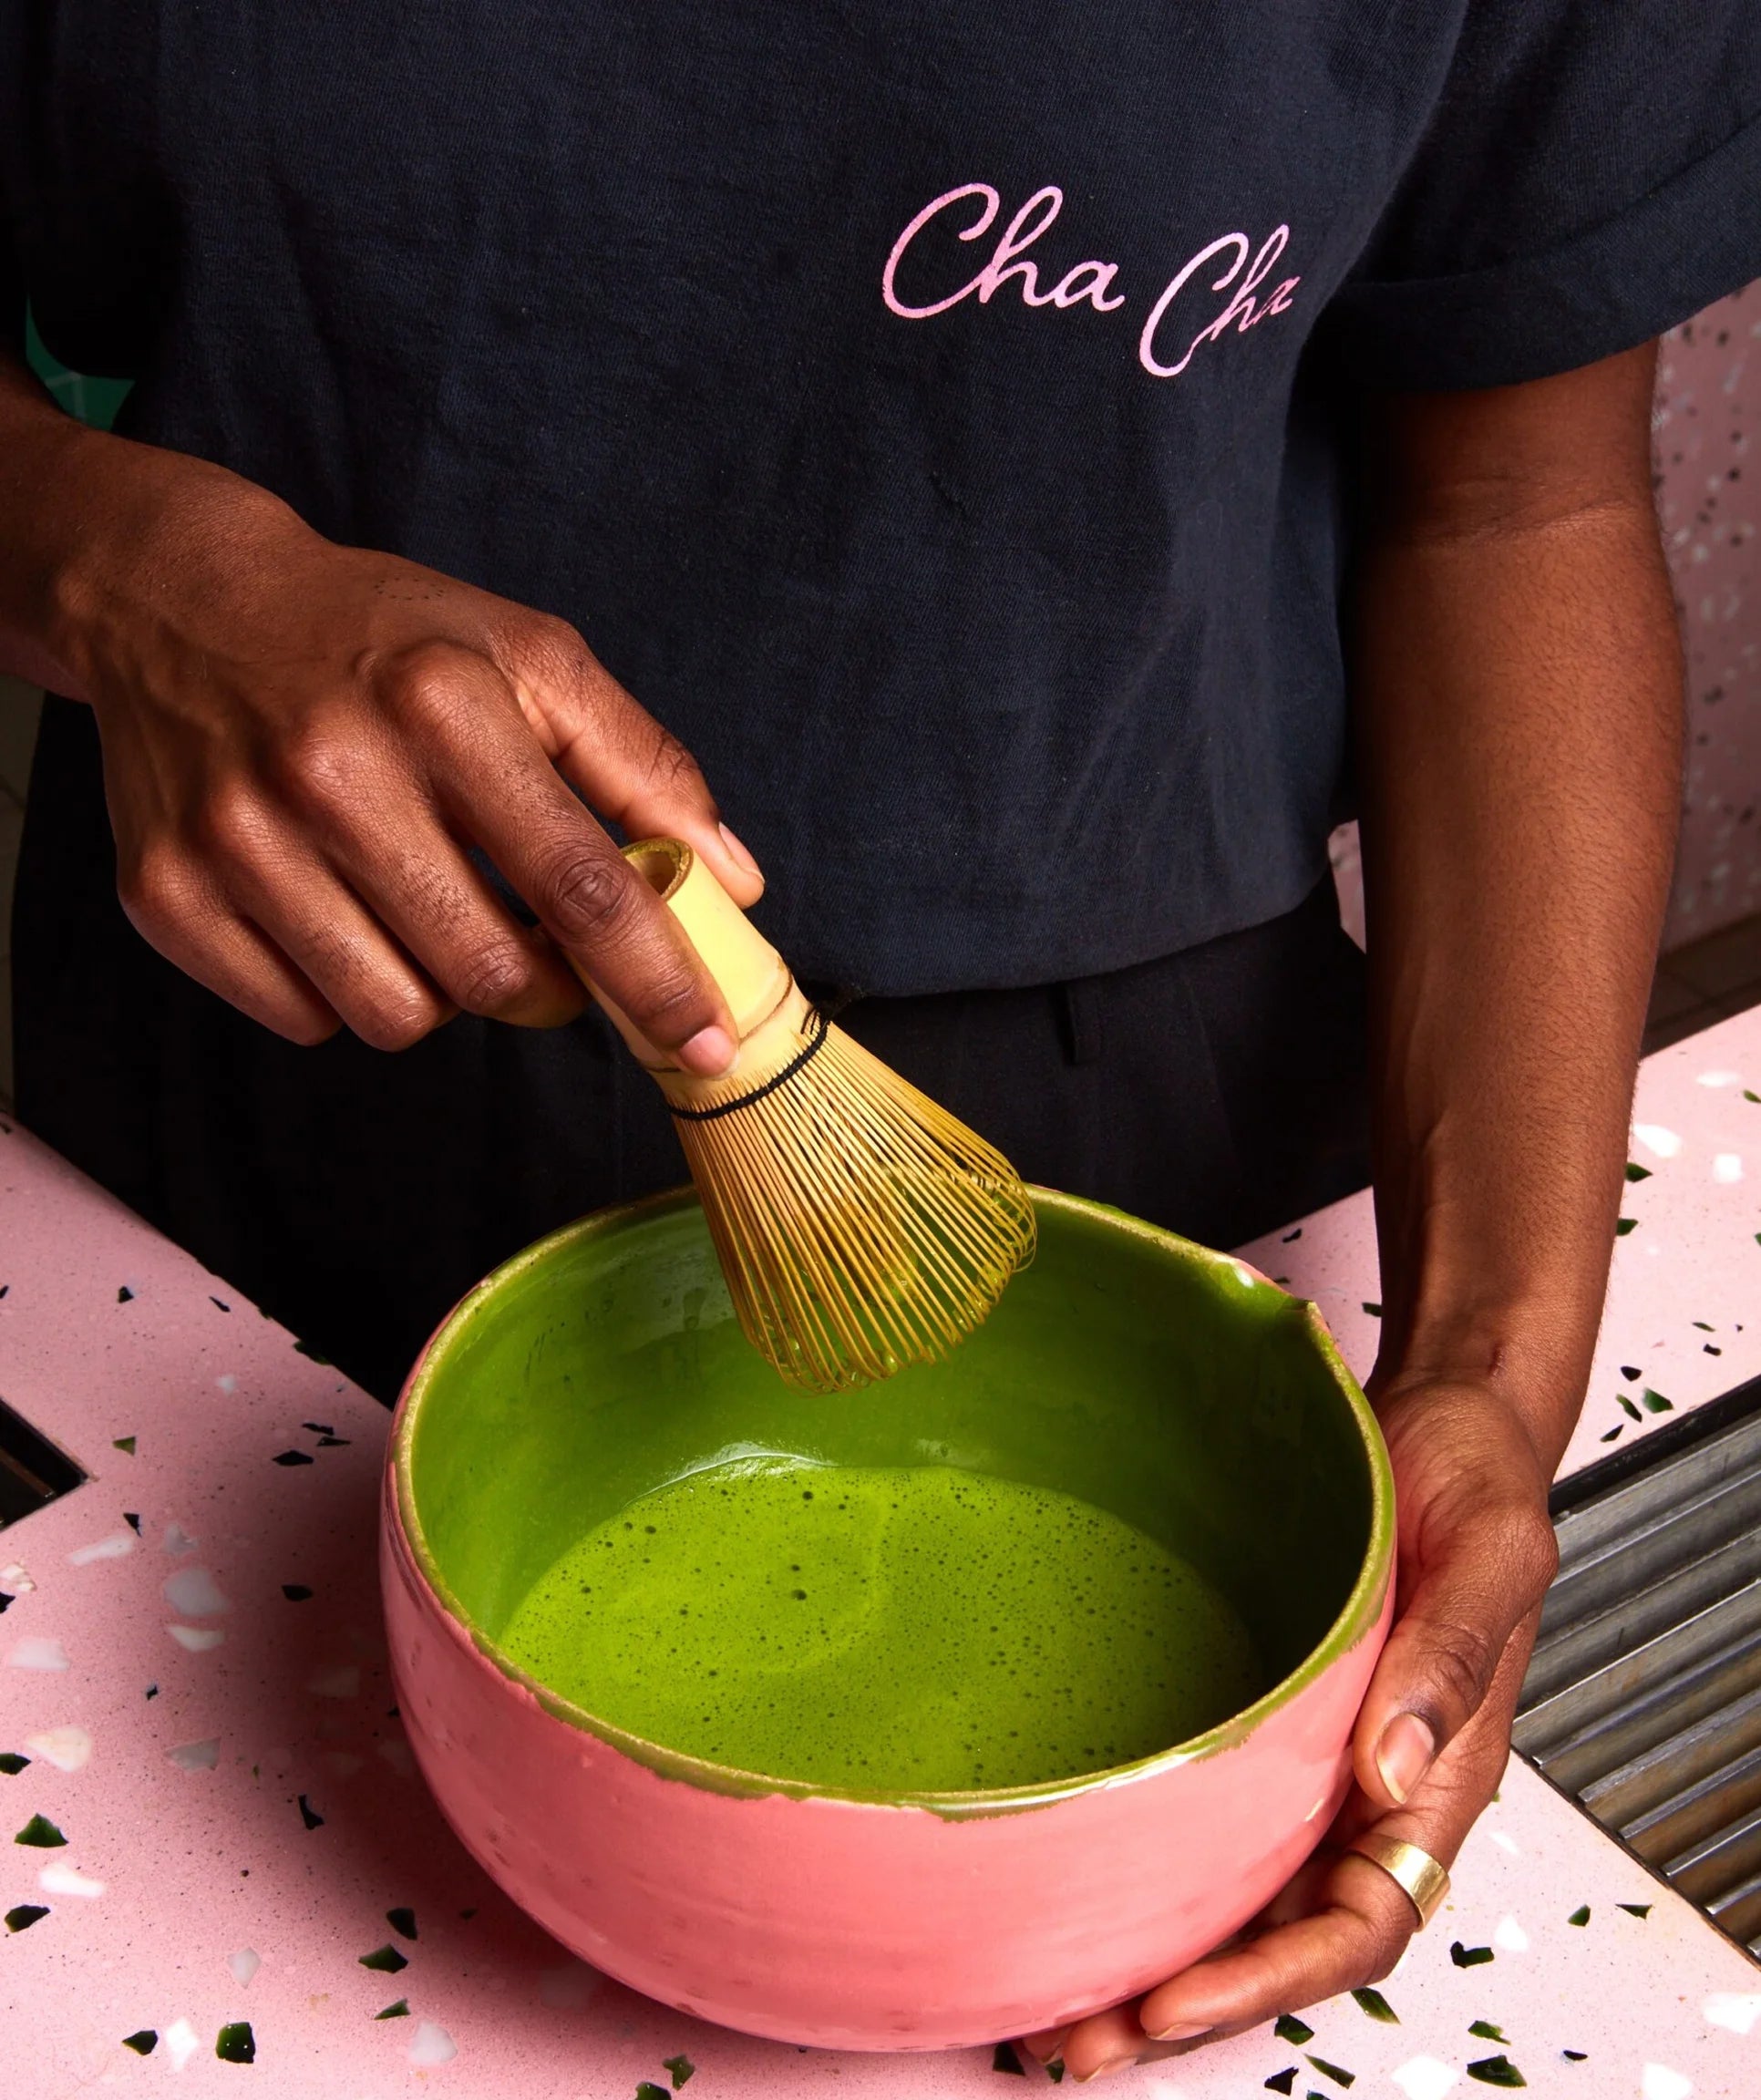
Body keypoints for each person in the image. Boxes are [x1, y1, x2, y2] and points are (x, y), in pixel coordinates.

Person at [4, 2, 1758, 2077]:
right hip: (266, 1053)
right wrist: (115, 568)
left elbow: (1513, 502)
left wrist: (1488, 1368)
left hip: (1175, 1120)